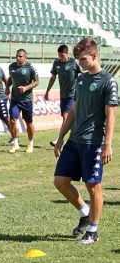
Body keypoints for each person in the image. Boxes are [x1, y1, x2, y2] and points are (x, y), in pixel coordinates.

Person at [53, 37, 118, 244]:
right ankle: (84, 212)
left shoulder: (108, 81)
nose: (80, 63)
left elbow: (111, 115)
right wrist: (61, 136)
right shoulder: (81, 79)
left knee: (93, 186)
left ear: (94, 56)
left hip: (94, 142)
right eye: (78, 60)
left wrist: (107, 144)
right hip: (74, 140)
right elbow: (73, 110)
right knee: (60, 182)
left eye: (83, 59)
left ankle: (93, 230)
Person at [44, 45, 81, 147]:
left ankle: (59, 139)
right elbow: (53, 77)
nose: (61, 58)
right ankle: (76, 137)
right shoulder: (56, 63)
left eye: (62, 56)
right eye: (59, 56)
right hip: (63, 95)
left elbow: (83, 74)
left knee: (65, 117)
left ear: (67, 54)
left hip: (73, 94)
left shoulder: (74, 62)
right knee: (68, 119)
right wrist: (47, 91)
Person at [5, 49, 39, 153]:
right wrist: (7, 88)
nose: (18, 58)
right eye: (17, 56)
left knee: (28, 123)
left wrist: (26, 88)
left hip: (27, 100)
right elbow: (11, 78)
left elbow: (36, 82)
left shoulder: (30, 67)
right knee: (12, 121)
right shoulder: (11, 66)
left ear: (25, 57)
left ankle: (30, 143)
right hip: (15, 99)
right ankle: (15, 144)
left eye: (20, 56)